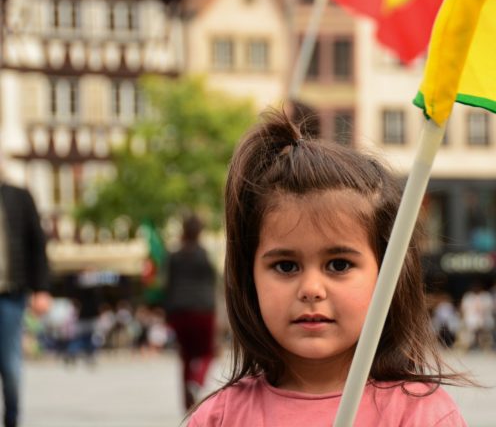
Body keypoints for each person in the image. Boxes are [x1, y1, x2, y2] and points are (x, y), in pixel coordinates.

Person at [188, 111, 469, 426]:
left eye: (338, 265)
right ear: (249, 277)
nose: (311, 289)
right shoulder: (221, 417)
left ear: (387, 274)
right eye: (285, 266)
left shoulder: (422, 415)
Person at [0, 181, 51, 427]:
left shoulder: (18, 196)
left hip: (10, 294)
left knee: (10, 365)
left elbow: (37, 244)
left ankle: (11, 419)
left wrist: (41, 289)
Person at [165, 215, 217, 409]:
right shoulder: (203, 255)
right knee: (208, 352)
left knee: (186, 356)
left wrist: (168, 313)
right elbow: (212, 284)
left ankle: (187, 403)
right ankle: (196, 382)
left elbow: (168, 286)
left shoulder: (174, 256)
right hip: (203, 310)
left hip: (178, 311)